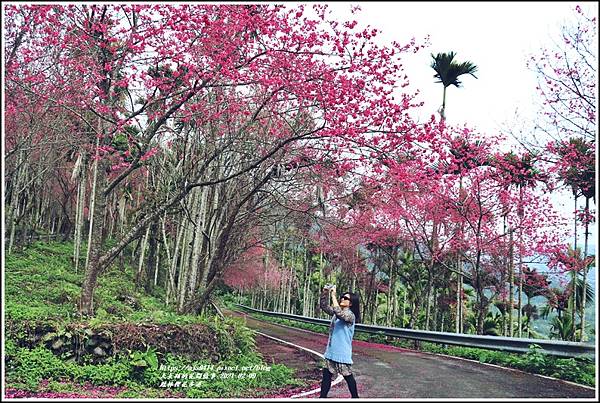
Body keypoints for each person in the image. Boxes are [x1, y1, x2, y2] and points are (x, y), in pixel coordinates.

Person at [319, 285, 361, 398]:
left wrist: (333, 296)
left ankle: (355, 397)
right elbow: (324, 306)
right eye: (342, 297)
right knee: (326, 376)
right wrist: (325, 292)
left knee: (348, 376)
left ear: (351, 303)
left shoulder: (350, 315)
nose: (342, 298)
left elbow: (340, 314)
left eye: (345, 298)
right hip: (331, 351)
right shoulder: (337, 312)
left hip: (342, 353)